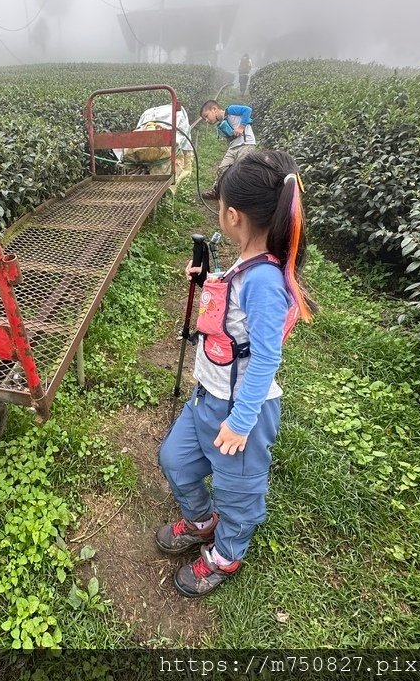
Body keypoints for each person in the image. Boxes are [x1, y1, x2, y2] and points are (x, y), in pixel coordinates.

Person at [156, 150, 314, 597]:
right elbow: (230, 306)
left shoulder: (265, 282)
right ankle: (203, 522)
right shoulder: (245, 265)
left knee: (238, 494)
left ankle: (226, 555)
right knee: (175, 460)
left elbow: (266, 358)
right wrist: (207, 280)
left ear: (232, 215)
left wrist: (241, 421)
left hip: (241, 412)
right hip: (207, 397)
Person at [199, 100, 257, 200]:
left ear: (214, 109)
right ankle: (216, 191)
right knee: (222, 168)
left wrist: (241, 127)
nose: (207, 120)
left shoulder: (230, 110)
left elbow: (248, 110)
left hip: (246, 144)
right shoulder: (222, 122)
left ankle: (240, 198)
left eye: (206, 116)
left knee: (241, 171)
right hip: (233, 147)